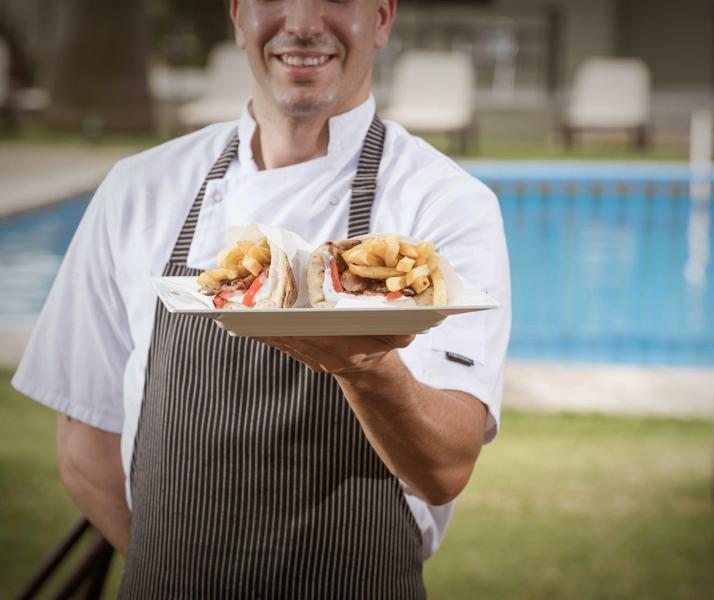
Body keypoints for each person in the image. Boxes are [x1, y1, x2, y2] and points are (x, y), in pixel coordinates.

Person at [13, 0, 510, 596]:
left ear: (381, 19)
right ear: (239, 17)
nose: (301, 22)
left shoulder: (444, 204)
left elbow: (446, 467)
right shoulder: (140, 190)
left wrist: (364, 363)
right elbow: (86, 442)